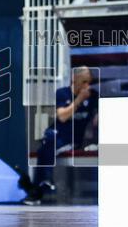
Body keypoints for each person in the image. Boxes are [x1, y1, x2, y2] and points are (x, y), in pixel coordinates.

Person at [23, 66, 98, 205]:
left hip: (72, 139)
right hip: (57, 134)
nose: (87, 85)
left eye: (89, 82)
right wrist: (79, 100)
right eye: (84, 82)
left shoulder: (93, 96)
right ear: (74, 79)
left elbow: (97, 118)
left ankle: (38, 188)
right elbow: (62, 117)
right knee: (49, 141)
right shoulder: (62, 93)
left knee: (44, 148)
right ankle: (43, 182)